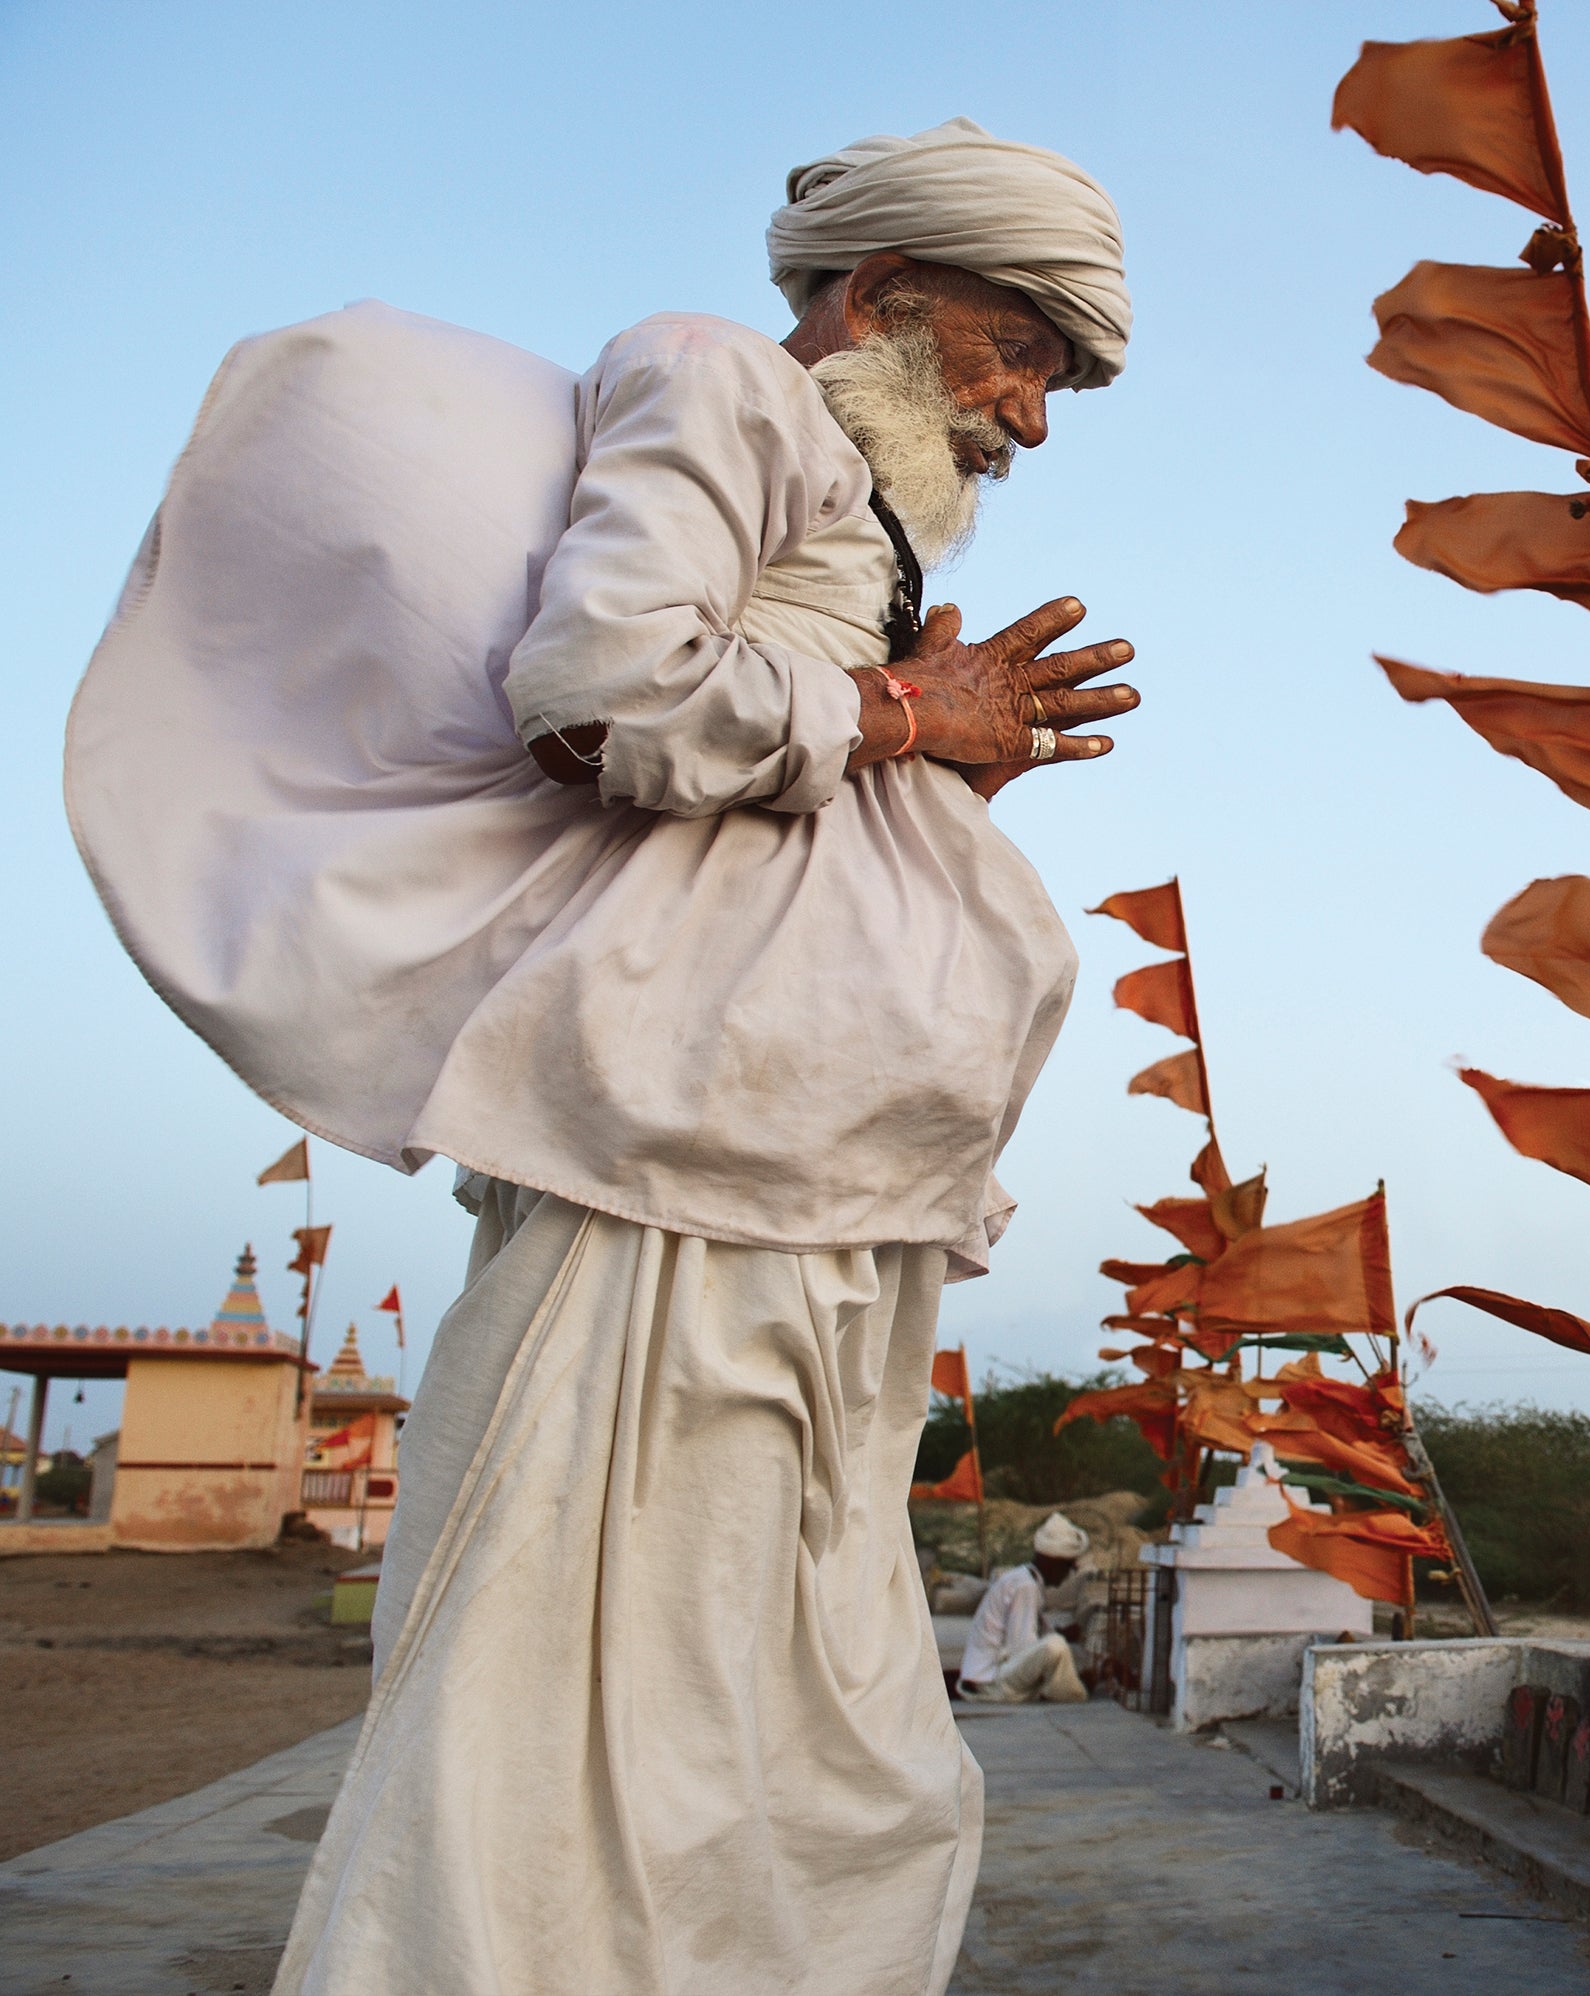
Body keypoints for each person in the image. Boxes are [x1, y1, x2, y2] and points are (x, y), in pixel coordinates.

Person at [71, 119, 1135, 1996]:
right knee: (573, 1698)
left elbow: (773, 751)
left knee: (798, 1711)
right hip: (673, 1158)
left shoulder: (844, 502)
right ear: (881, 292)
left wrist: (926, 745)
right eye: (1024, 350)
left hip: (814, 1170)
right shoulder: (723, 377)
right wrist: (902, 708)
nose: (1028, 419)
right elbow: (604, 696)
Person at [956, 1512, 1098, 1703]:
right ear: (1052, 1561)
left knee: (1067, 1649)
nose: (1068, 1575)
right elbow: (1021, 1647)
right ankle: (1073, 1692)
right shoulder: (1025, 1586)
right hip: (990, 1682)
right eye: (1067, 1567)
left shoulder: (1026, 1579)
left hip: (995, 1674)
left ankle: (1066, 1687)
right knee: (1056, 1646)